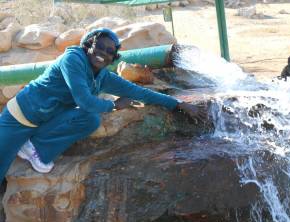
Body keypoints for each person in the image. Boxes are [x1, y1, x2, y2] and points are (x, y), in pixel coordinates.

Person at [0, 28, 205, 185]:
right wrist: (113, 105)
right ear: (88, 45)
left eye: (109, 51)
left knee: (90, 119)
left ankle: (36, 148)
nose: (103, 53)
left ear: (113, 58)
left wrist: (177, 104)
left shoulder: (103, 76)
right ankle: (27, 144)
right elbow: (84, 100)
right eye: (100, 46)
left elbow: (139, 92)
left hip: (44, 121)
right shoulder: (72, 59)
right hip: (19, 119)